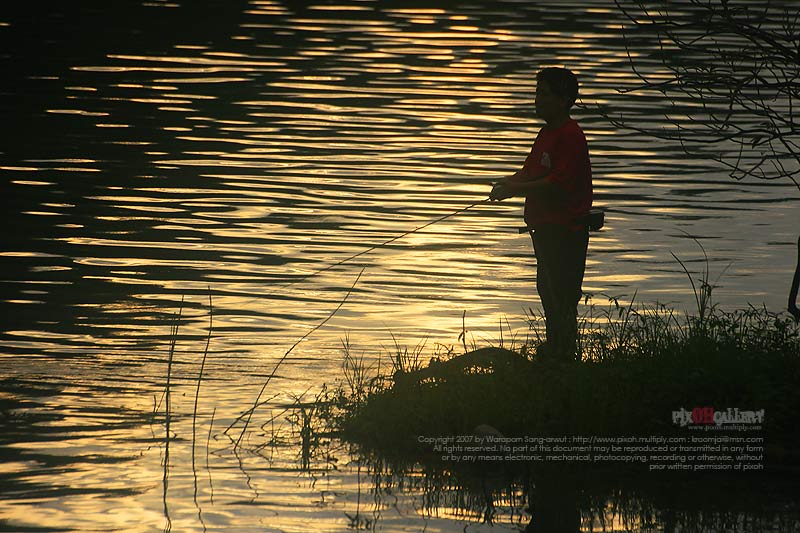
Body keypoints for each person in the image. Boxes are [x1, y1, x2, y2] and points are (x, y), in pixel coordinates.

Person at [490, 67, 592, 362]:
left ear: (563, 100)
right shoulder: (546, 133)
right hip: (544, 230)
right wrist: (507, 183)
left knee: (562, 295)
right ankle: (555, 355)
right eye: (537, 92)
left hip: (565, 231)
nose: (537, 99)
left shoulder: (570, 135)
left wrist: (514, 188)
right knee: (547, 292)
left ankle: (564, 358)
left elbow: (556, 184)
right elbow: (531, 172)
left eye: (543, 93)